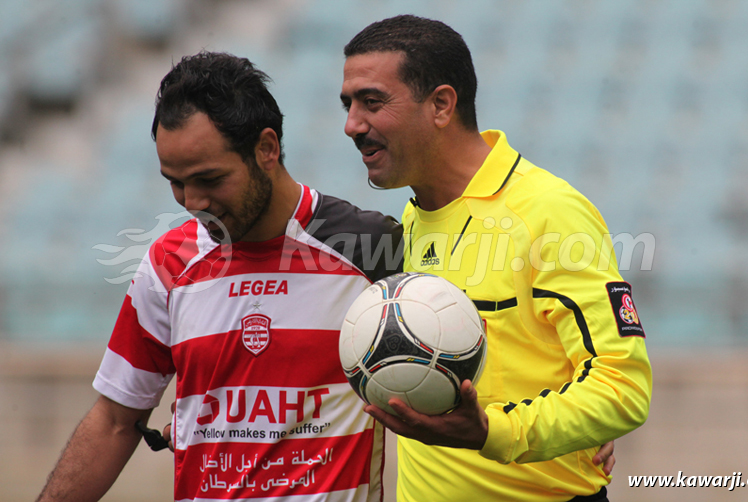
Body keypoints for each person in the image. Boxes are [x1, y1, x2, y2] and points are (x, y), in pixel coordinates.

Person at [37, 51, 403, 502]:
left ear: (267, 149)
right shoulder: (168, 262)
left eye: (209, 179)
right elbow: (114, 420)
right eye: (176, 182)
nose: (193, 201)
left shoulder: (371, 249)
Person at [339, 15, 652, 502]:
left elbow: (622, 389)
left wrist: (492, 432)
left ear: (441, 104)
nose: (352, 125)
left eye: (372, 102)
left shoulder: (549, 213)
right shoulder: (414, 215)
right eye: (348, 104)